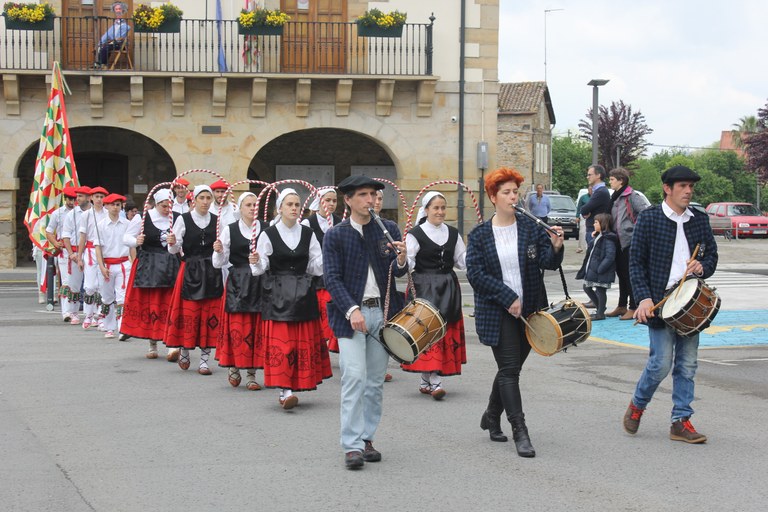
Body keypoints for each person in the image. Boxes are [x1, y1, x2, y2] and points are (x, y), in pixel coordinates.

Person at [466, 167, 564, 458]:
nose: (513, 197)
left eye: (515, 192)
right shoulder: (481, 235)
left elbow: (547, 262)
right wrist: (507, 297)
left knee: (511, 368)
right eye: (506, 192)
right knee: (510, 371)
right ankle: (520, 430)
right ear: (493, 197)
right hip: (498, 312)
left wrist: (556, 246)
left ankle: (491, 414)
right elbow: (476, 274)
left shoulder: (531, 227)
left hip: (531, 310)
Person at [624, 165, 718, 444]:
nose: (688, 191)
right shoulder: (650, 218)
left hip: (690, 300)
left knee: (687, 364)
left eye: (691, 186)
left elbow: (712, 255)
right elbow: (636, 262)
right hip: (660, 301)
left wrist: (703, 266)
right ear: (667, 188)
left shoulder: (699, 219)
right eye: (682, 186)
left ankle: (681, 421)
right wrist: (643, 298)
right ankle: (637, 405)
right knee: (660, 364)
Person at [323, 175, 408, 470]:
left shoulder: (388, 229)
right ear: (348, 200)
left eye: (372, 194)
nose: (369, 200)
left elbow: (397, 274)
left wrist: (401, 260)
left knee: (374, 383)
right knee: (354, 377)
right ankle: (351, 445)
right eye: (362, 195)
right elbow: (331, 279)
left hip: (382, 314)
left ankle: (367, 438)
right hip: (350, 317)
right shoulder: (336, 235)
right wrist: (351, 310)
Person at [251, 188, 331, 409]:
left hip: (303, 292)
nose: (295, 208)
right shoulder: (268, 234)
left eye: (297, 205)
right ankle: (284, 390)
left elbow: (316, 266)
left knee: (299, 343)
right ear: (280, 208)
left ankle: (295, 384)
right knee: (283, 344)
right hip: (277, 294)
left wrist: (330, 258)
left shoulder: (308, 233)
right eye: (290, 205)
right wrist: (256, 260)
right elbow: (260, 269)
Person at [400, 191, 467, 399]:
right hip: (424, 287)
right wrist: (402, 257)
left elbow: (462, 261)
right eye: (436, 208)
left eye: (443, 208)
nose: (440, 212)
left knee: (443, 330)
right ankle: (435, 381)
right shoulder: (415, 234)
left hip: (447, 286)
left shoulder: (453, 233)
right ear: (426, 209)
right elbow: (408, 262)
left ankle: (426, 379)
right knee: (427, 331)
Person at [164, 185, 224, 375]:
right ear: (194, 200)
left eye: (208, 198)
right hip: (190, 268)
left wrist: (220, 248)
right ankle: (185, 349)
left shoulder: (216, 221)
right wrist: (172, 242)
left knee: (209, 313)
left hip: (211, 270)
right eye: (202, 198)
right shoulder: (184, 219)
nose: (206, 202)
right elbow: (174, 250)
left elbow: (222, 248)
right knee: (190, 312)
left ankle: (205, 359)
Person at [120, 188, 181, 361]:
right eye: (163, 205)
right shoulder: (143, 217)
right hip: (149, 265)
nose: (167, 208)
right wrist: (136, 241)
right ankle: (152, 343)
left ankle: (172, 344)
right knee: (152, 304)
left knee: (170, 304)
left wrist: (177, 242)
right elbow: (126, 237)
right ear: (156, 203)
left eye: (169, 205)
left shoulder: (177, 218)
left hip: (171, 264)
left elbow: (182, 239)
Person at [213, 192, 265, 391]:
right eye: (249, 205)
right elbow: (219, 263)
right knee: (239, 326)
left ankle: (252, 373)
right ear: (241, 208)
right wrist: (218, 251)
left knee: (256, 327)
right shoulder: (230, 230)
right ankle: (234, 364)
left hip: (260, 282)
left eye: (255, 205)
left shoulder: (266, 229)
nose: (253, 208)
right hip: (238, 281)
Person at [301, 187, 341, 354]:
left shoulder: (340, 222)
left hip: (336, 275)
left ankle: (333, 344)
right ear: (319, 202)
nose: (331, 204)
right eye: (327, 200)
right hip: (315, 278)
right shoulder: (307, 223)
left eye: (334, 200)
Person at [607, 167, 650, 320]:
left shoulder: (632, 196)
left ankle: (633, 306)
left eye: (612, 179)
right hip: (617, 241)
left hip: (629, 241)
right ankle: (621, 305)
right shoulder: (616, 197)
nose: (610, 182)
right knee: (621, 274)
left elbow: (645, 212)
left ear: (621, 181)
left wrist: (634, 228)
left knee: (629, 275)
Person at [94, 194, 130, 339]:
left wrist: (132, 262)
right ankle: (109, 327)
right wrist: (101, 266)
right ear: (107, 206)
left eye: (118, 205)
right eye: (113, 204)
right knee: (107, 297)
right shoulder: (101, 225)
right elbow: (98, 247)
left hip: (123, 264)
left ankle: (123, 327)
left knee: (122, 297)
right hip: (108, 264)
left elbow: (131, 245)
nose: (115, 207)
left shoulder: (126, 224)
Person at [77, 186, 109, 330]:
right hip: (90, 252)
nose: (99, 200)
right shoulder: (86, 215)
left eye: (101, 197)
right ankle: (88, 314)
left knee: (102, 286)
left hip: (103, 252)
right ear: (91, 198)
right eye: (96, 197)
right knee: (90, 286)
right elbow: (83, 236)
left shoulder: (108, 214)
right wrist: (79, 256)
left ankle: (100, 316)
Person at [576, 213, 617, 321]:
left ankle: (600, 313)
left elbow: (610, 256)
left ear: (603, 224)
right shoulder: (600, 237)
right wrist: (594, 236)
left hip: (601, 271)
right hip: (594, 270)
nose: (594, 224)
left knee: (600, 290)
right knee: (587, 287)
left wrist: (600, 269)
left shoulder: (608, 239)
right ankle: (600, 308)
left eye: (596, 222)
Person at [61, 186, 92, 325]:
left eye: (80, 196)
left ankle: (92, 313)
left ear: (88, 197)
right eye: (77, 196)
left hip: (91, 251)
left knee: (92, 284)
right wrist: (71, 253)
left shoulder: (96, 213)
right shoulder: (71, 214)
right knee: (74, 283)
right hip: (74, 251)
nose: (77, 199)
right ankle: (73, 312)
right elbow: (65, 236)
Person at [45, 186, 77, 321]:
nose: (72, 202)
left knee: (76, 283)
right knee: (66, 281)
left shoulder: (80, 212)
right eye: (70, 199)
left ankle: (74, 309)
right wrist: (55, 243)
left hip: (78, 250)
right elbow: (49, 231)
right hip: (64, 251)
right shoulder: (57, 213)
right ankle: (66, 312)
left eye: (74, 199)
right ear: (65, 199)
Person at [373, 188, 394, 384]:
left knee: (383, 331)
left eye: (380, 198)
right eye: (374, 197)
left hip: (385, 290)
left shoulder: (390, 227)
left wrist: (402, 259)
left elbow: (398, 267)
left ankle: (380, 368)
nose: (377, 201)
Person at [581, 165, 612, 243]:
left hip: (595, 230)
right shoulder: (598, 191)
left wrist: (586, 211)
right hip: (593, 229)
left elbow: (584, 209)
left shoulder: (601, 192)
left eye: (590, 175)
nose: (587, 177)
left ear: (598, 175)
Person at [94, 2, 130, 69]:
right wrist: (99, 43)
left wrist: (113, 40)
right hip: (112, 43)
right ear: (114, 11)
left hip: (120, 44)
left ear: (122, 10)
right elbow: (106, 35)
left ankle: (102, 64)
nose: (118, 10)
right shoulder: (113, 26)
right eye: (116, 9)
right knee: (99, 47)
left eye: (119, 9)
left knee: (106, 47)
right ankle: (101, 64)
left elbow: (120, 37)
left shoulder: (125, 26)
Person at [575, 186, 592, 253]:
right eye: (590, 189)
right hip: (583, 216)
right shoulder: (583, 197)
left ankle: (588, 246)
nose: (591, 191)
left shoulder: (595, 197)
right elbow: (579, 207)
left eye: (592, 189)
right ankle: (580, 247)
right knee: (582, 232)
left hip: (592, 216)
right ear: (588, 190)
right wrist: (577, 216)